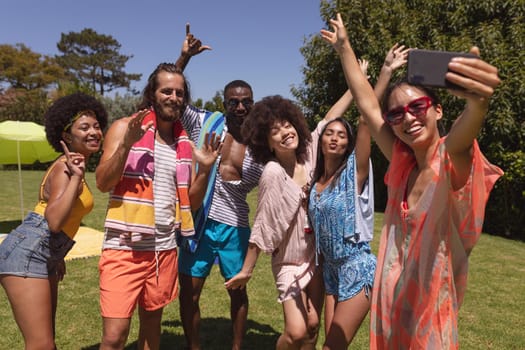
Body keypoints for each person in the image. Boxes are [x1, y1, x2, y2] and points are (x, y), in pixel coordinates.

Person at [322, 13, 503, 349]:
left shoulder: (449, 160)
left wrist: (478, 102)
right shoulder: (403, 164)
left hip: (431, 316)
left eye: (417, 106)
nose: (407, 117)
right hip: (392, 305)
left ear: (437, 110)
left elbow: (464, 135)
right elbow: (366, 105)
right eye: (396, 114)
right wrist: (344, 48)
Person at [95, 63, 221, 350]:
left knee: (152, 331)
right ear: (152, 94)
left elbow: (192, 203)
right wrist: (126, 145)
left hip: (163, 251)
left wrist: (204, 171)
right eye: (166, 91)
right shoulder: (124, 127)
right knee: (114, 336)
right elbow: (103, 182)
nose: (173, 97)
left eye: (179, 92)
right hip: (123, 248)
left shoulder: (184, 144)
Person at [308, 45, 409, 349]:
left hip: (356, 267)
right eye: (330, 133)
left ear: (348, 143)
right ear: (322, 139)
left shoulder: (355, 173)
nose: (335, 136)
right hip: (330, 271)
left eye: (342, 134)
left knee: (331, 347)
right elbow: (327, 118)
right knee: (332, 343)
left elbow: (366, 120)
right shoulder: (315, 182)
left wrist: (385, 73)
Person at [174, 25, 263, 350]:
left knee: (237, 291)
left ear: (254, 104)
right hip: (198, 222)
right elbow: (172, 97)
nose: (240, 107)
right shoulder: (207, 123)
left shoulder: (262, 146)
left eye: (246, 102)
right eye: (234, 102)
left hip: (235, 228)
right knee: (190, 292)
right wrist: (184, 58)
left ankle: (237, 347)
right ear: (224, 103)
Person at [225, 95, 337, 349]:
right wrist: (247, 270)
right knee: (296, 332)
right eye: (276, 131)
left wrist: (356, 85)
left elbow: (327, 120)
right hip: (288, 260)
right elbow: (264, 224)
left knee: (312, 326)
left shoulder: (309, 155)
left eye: (288, 125)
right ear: (267, 143)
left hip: (315, 256)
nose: (286, 132)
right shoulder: (272, 173)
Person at [0, 93, 108, 349]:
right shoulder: (65, 168)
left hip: (45, 253)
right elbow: (54, 220)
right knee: (41, 344)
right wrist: (75, 177)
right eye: (84, 127)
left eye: (96, 126)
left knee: (47, 342)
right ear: (67, 137)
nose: (94, 132)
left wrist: (56, 256)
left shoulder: (73, 168)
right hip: (28, 253)